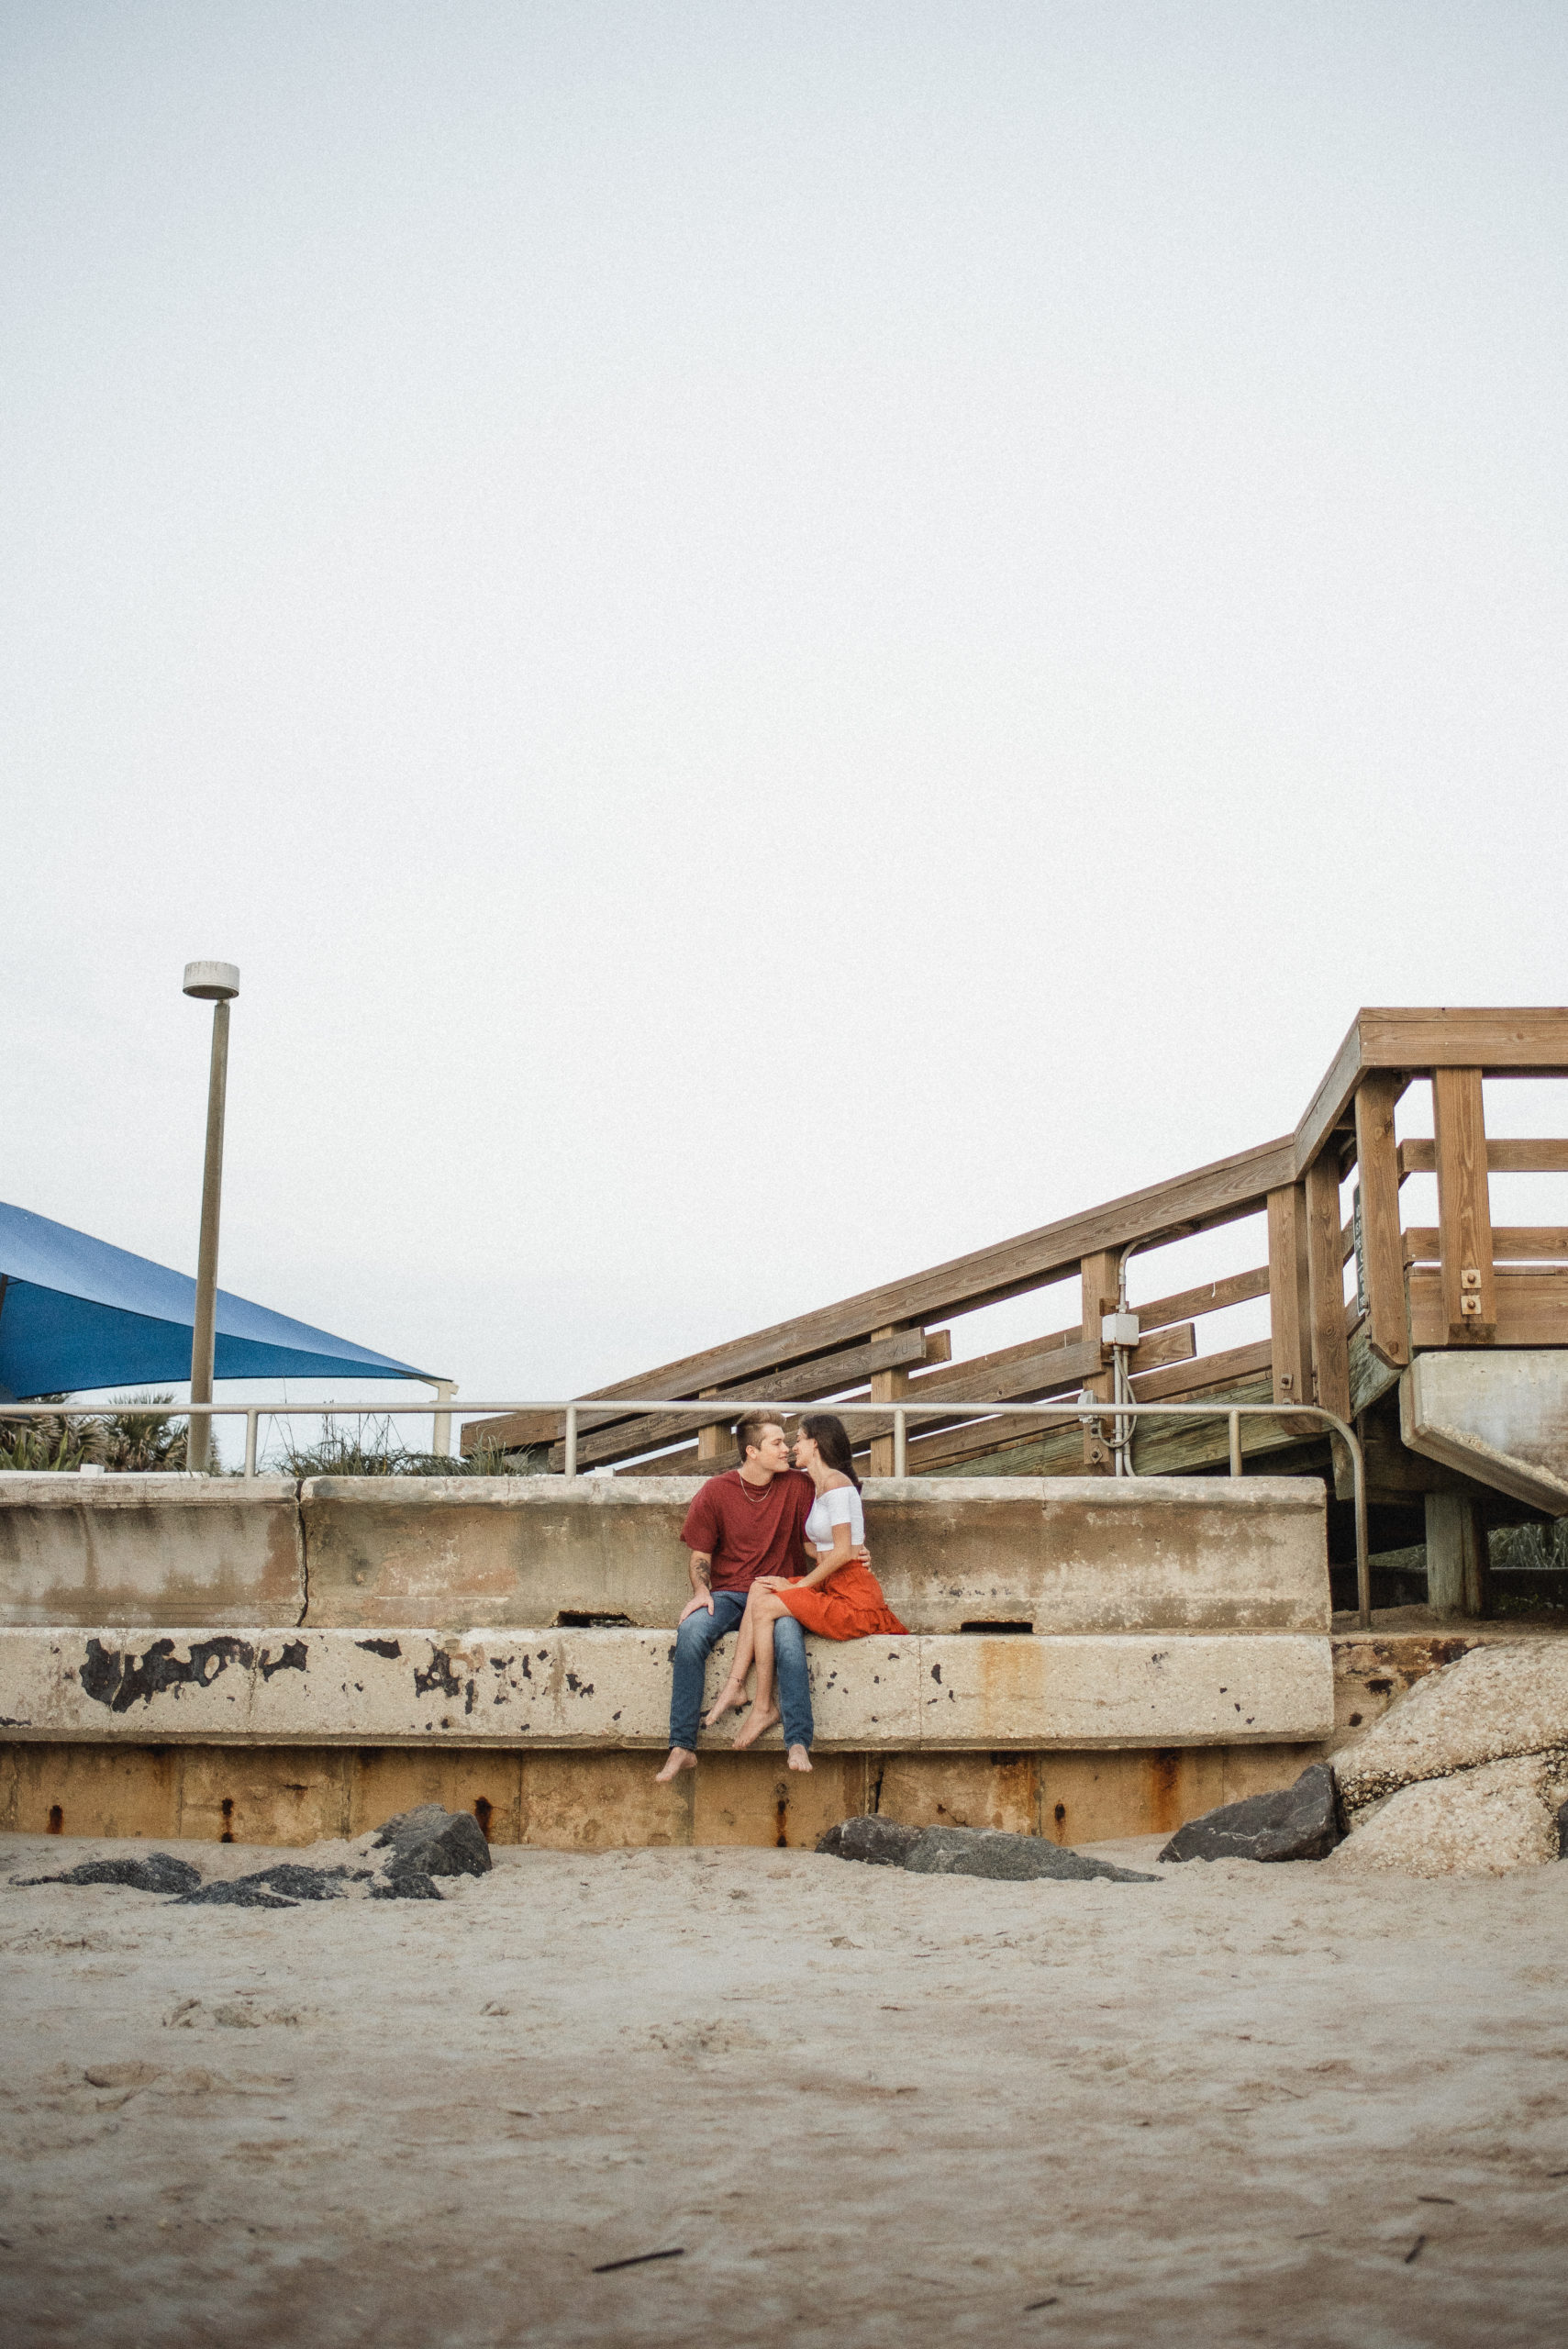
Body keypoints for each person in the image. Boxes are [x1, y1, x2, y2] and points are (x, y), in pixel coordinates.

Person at [703, 1411, 906, 1771]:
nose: (793, 1446)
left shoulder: (838, 1484)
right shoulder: (819, 1485)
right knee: (759, 1587)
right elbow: (824, 1548)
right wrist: (831, 1560)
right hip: (831, 1584)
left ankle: (764, 1706)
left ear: (815, 1443)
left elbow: (843, 1551)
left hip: (852, 1597)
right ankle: (737, 1686)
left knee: (767, 1604)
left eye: (798, 1439)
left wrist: (802, 1583)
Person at [653, 1412, 817, 1783]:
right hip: (729, 1593)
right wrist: (701, 1592)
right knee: (692, 1632)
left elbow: (813, 1541)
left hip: (778, 1593)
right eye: (776, 1443)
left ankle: (797, 1741)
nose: (786, 1449)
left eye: (786, 1441)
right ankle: (682, 1746)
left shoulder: (798, 1486)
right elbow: (700, 1556)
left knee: (788, 1639)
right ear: (751, 1451)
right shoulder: (716, 1491)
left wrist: (850, 1554)